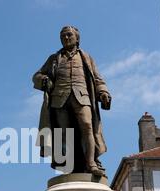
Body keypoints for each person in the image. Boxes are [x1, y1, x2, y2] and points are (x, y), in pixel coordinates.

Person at [33, 26, 111, 175]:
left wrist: (103, 92)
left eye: (69, 35)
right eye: (63, 36)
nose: (66, 38)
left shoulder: (86, 57)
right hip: (59, 99)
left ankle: (91, 164)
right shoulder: (54, 58)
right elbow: (37, 75)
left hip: (82, 97)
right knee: (64, 133)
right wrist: (43, 79)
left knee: (88, 126)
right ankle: (68, 165)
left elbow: (97, 79)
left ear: (77, 38)